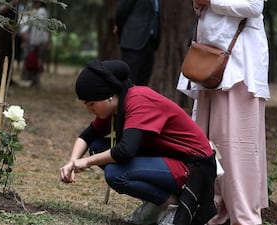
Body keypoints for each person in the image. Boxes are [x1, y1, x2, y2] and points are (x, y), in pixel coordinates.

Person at [60, 59, 218, 225]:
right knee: (97, 147)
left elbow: (125, 150)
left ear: (109, 97)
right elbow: (88, 135)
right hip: (165, 158)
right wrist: (72, 162)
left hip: (192, 166)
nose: (89, 110)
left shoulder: (138, 101)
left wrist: (85, 162)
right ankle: (158, 203)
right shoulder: (116, 106)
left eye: (92, 104)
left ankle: (170, 204)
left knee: (115, 173)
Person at [176, 1, 270, 224]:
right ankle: (213, 214)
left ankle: (245, 219)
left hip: (239, 67)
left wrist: (210, 1)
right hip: (211, 61)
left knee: (237, 149)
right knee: (207, 144)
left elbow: (254, 7)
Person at [114, 0, 160, 86]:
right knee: (130, 81)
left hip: (150, 41)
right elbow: (121, 11)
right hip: (133, 42)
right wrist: (122, 33)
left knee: (144, 82)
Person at [21, 0, 50, 88]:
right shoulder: (36, 12)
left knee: (37, 62)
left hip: (39, 42)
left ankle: (37, 81)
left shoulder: (41, 12)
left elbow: (39, 29)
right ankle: (34, 80)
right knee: (34, 61)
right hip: (35, 41)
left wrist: (36, 42)